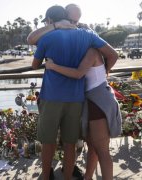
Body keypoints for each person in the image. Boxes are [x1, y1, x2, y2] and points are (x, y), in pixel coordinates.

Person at [28, 4, 121, 180]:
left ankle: (46, 176)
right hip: (77, 98)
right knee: (71, 142)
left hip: (53, 96)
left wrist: (51, 62)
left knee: (48, 141)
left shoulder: (48, 36)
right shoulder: (88, 36)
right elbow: (112, 54)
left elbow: (33, 54)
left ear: (49, 20)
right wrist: (103, 75)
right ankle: (69, 176)